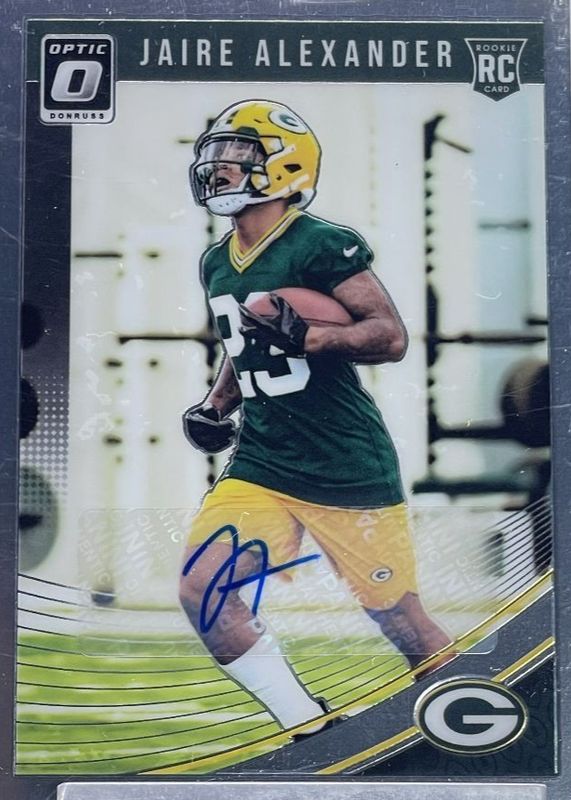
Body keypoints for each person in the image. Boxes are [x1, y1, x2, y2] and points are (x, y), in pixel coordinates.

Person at [179, 99, 453, 737]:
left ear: (283, 165)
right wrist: (218, 403)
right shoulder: (217, 260)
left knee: (400, 619)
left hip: (343, 463)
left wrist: (314, 338)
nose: (220, 166)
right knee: (203, 589)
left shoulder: (320, 243)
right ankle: (307, 727)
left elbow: (389, 336)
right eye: (217, 153)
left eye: (239, 153)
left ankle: (473, 726)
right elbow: (243, 345)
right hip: (262, 459)